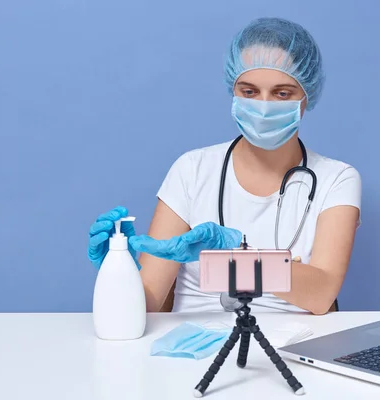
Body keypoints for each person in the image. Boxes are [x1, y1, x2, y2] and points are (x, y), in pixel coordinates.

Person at [88, 17, 361, 315]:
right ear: (234, 91)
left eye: (282, 93)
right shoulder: (192, 170)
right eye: (249, 91)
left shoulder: (337, 179)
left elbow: (321, 294)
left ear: (306, 97)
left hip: (292, 346)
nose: (264, 106)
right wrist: (119, 271)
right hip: (192, 344)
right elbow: (147, 303)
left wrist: (234, 258)